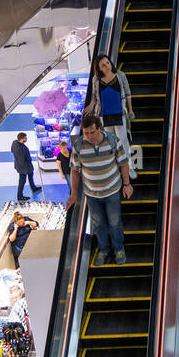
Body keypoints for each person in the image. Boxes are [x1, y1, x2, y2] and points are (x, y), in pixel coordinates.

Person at [69, 113, 133, 265]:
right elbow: (74, 170)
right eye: (86, 133)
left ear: (99, 128)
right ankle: (103, 250)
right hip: (91, 194)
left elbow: (123, 163)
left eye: (92, 132)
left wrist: (127, 184)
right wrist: (73, 194)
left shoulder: (112, 141)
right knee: (99, 224)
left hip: (112, 191)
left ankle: (118, 249)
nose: (89, 136)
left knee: (114, 222)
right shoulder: (78, 146)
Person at [11, 132, 41, 201]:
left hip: (20, 165)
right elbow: (22, 159)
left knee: (31, 174)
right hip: (23, 167)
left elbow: (12, 150)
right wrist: (29, 159)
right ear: (22, 139)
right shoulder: (20, 149)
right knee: (22, 181)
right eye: (25, 138)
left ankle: (33, 188)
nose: (26, 139)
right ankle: (20, 196)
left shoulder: (14, 143)